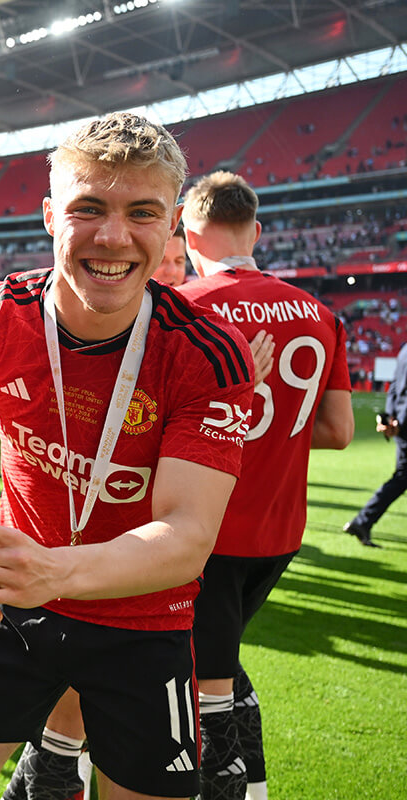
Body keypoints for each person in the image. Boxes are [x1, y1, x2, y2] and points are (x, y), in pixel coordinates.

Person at [0, 112, 256, 800]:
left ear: (172, 225)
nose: (113, 236)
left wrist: (51, 569)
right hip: (8, 609)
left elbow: (186, 538)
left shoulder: (206, 352)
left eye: (141, 212)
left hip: (143, 617)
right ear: (51, 215)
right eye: (89, 208)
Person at [178, 170, 353, 800]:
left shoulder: (185, 307)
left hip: (203, 527)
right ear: (256, 230)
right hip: (280, 529)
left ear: (188, 231)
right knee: (217, 664)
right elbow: (337, 430)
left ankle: (227, 784)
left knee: (203, 681)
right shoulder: (319, 311)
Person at [345, 340, 407, 548]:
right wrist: (398, 421)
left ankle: (362, 522)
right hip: (404, 424)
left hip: (400, 423)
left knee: (401, 477)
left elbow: (396, 386)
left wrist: (390, 416)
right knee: (401, 477)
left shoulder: (404, 349)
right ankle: (362, 522)